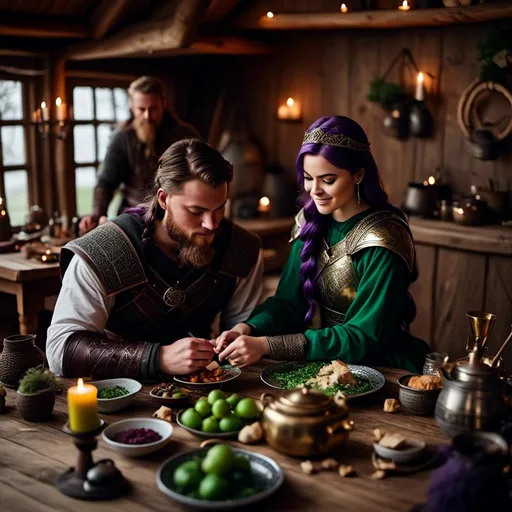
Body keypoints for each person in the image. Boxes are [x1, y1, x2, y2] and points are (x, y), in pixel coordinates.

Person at [213, 115, 430, 373]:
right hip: (330, 363)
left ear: (358, 174)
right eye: (308, 177)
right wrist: (248, 328)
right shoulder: (310, 220)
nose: (314, 190)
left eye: (328, 180)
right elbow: (288, 303)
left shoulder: (384, 238)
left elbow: (363, 338)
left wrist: (268, 345)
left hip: (384, 367)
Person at [47, 139, 263, 380]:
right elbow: (60, 351)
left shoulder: (240, 248)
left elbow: (243, 331)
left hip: (206, 391)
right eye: (196, 211)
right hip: (119, 394)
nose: (211, 225)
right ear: (163, 199)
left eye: (219, 209)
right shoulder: (106, 250)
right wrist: (158, 358)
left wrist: (238, 339)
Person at [79, 75, 199, 235]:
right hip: (133, 216)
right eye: (141, 109)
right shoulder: (122, 137)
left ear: (164, 103)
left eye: (153, 109)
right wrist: (96, 214)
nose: (147, 116)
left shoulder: (186, 135)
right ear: (132, 106)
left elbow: (199, 177)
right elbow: (106, 182)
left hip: (178, 216)